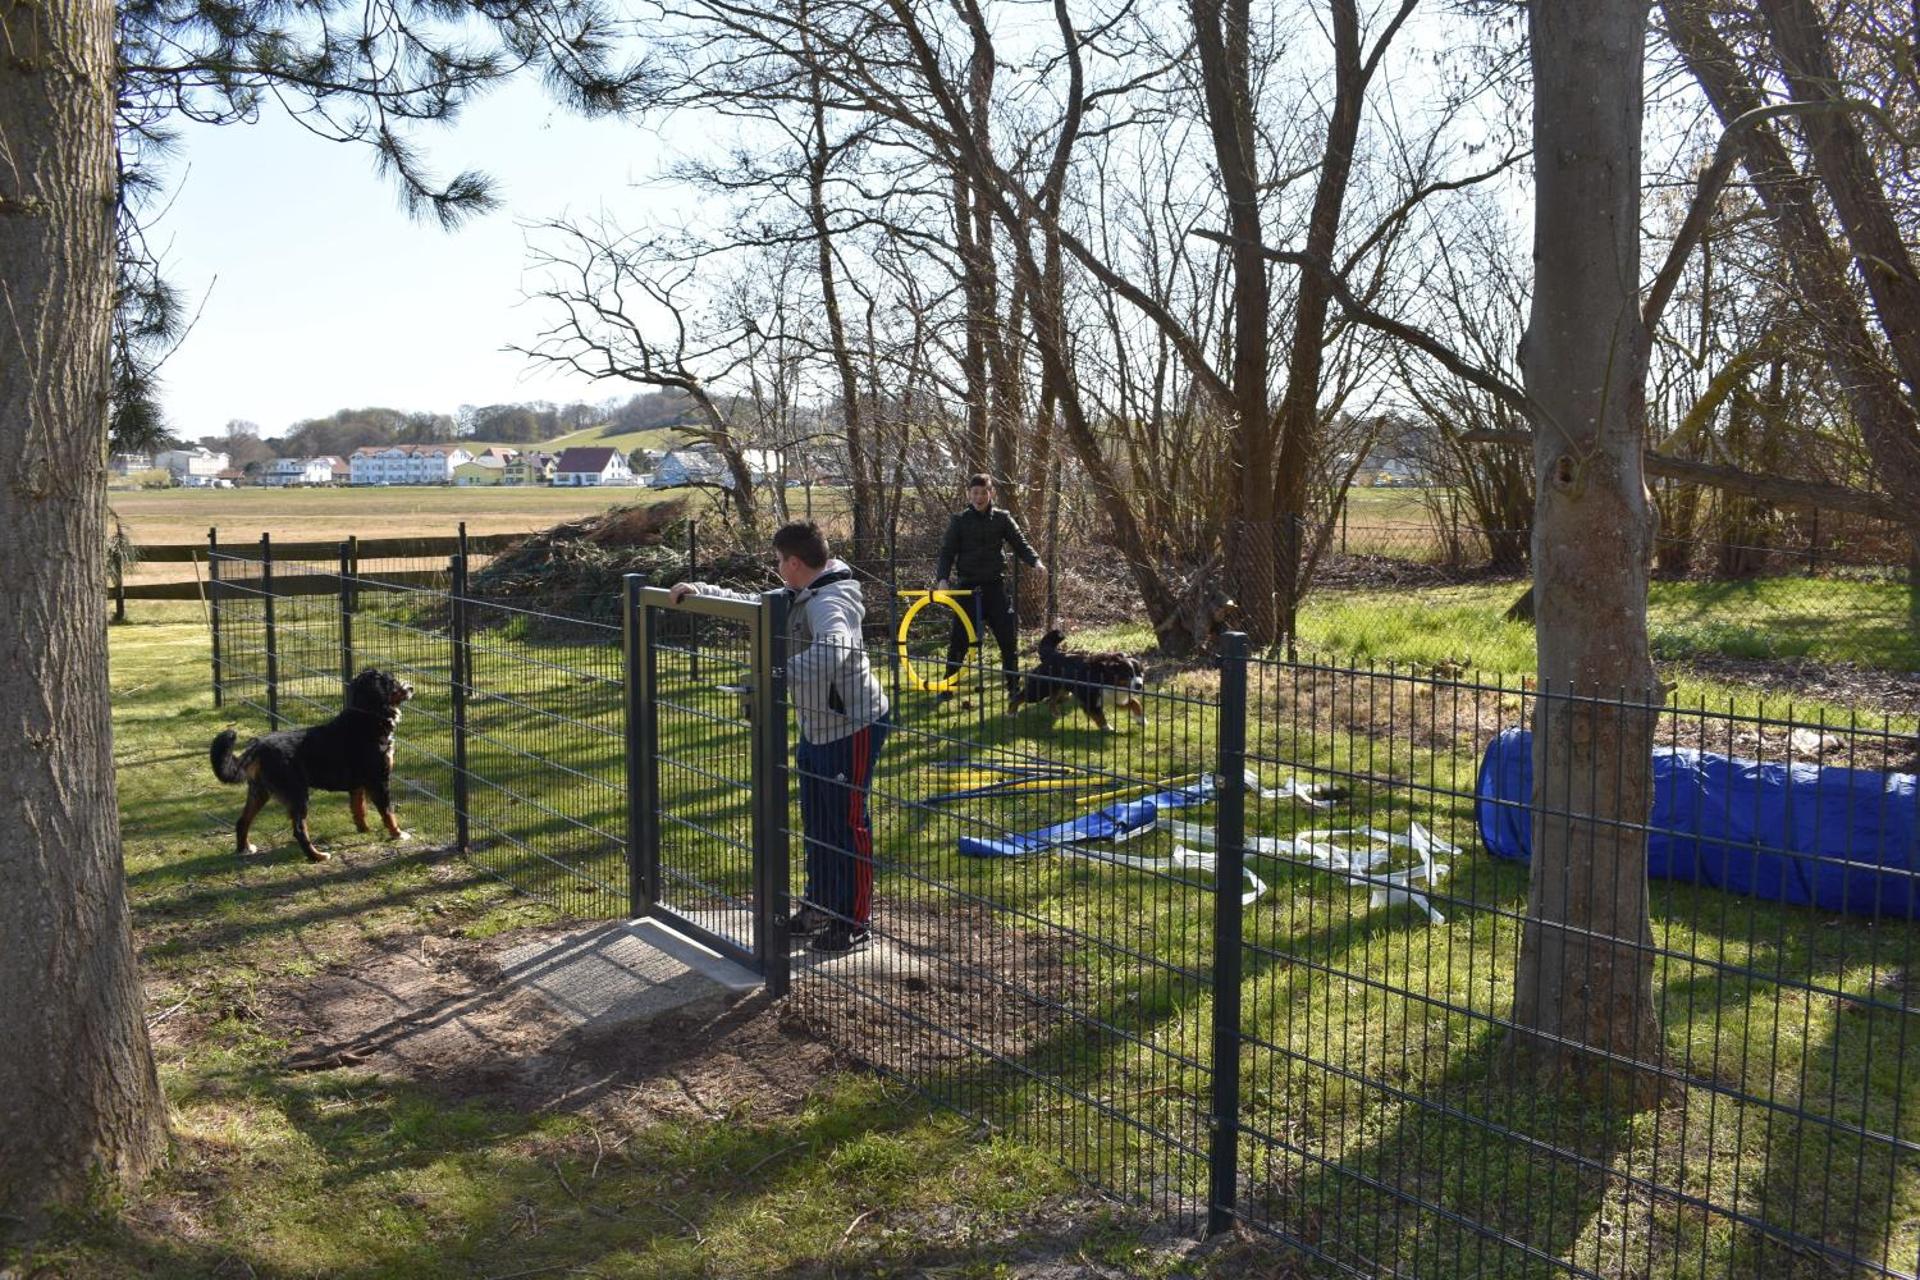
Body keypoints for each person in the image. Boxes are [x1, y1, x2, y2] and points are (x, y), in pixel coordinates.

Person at [670, 522, 890, 954]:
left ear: (793, 562)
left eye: (777, 561)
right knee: (818, 822)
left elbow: (834, 649)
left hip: (854, 725)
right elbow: (757, 606)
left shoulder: (832, 600)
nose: (776, 568)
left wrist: (774, 677)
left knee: (847, 824)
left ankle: (855, 920)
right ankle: (821, 906)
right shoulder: (798, 594)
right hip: (818, 727)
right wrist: (701, 592)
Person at [933, 473, 1045, 696]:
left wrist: (1036, 562)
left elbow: (1020, 542)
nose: (979, 497)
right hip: (967, 589)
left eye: (984, 492)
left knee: (1007, 640)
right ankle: (948, 685)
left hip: (995, 588)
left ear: (991, 493)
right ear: (969, 494)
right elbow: (946, 553)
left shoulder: (1002, 518)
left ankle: (1014, 688)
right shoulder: (959, 521)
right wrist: (942, 580)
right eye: (975, 493)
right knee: (959, 641)